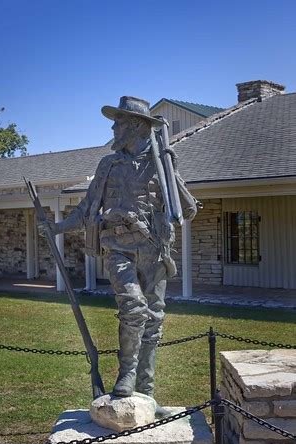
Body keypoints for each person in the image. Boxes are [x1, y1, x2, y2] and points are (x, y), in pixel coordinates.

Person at [49, 96, 197, 404]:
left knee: (154, 319)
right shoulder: (109, 165)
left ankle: (146, 389)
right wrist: (57, 227)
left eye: (119, 122)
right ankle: (127, 373)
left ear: (135, 126)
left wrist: (173, 176)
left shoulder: (162, 162)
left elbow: (187, 210)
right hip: (118, 248)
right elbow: (87, 209)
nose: (114, 128)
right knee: (133, 308)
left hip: (155, 251)